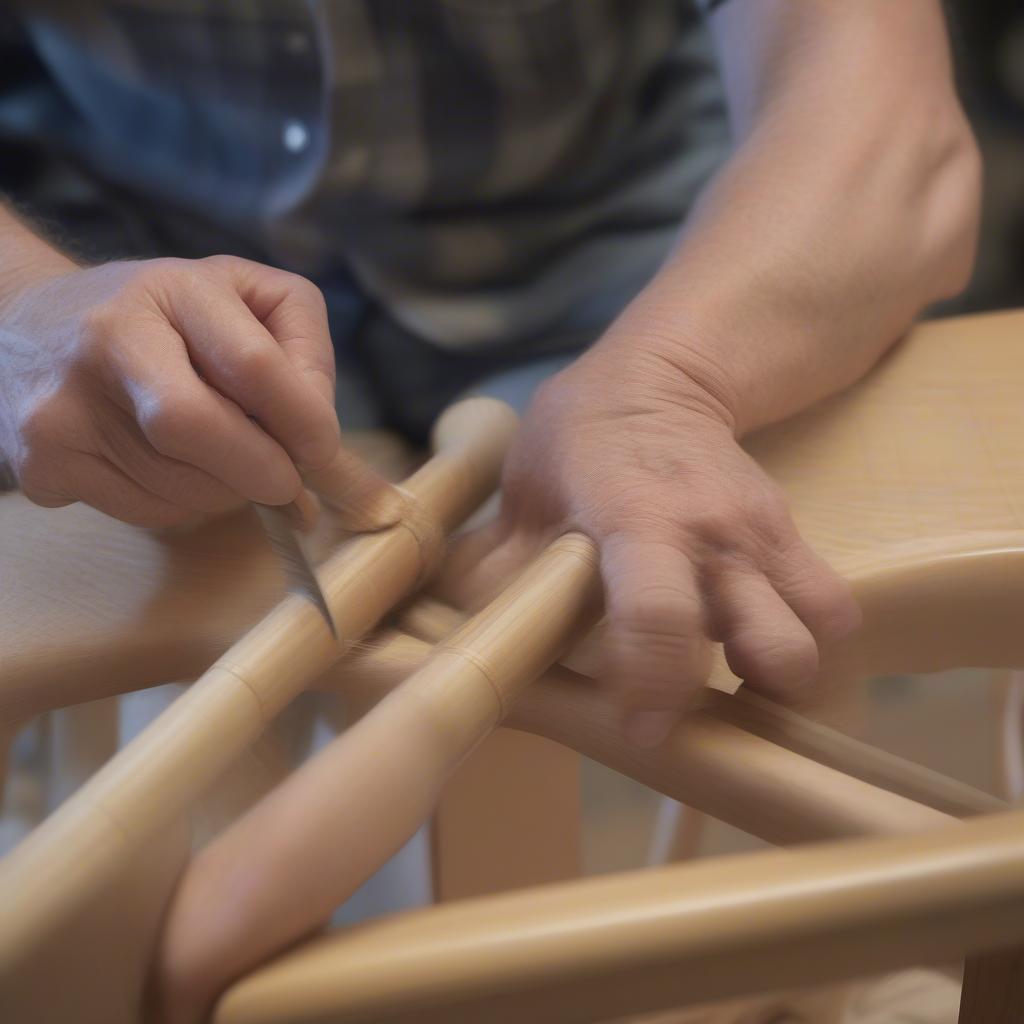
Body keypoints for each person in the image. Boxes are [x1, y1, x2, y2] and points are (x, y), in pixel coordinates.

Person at [0, 0, 980, 752]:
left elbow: (894, 133)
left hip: (629, 263)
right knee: (177, 672)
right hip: (128, 264)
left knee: (717, 612)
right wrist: (26, 311)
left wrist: (668, 380)